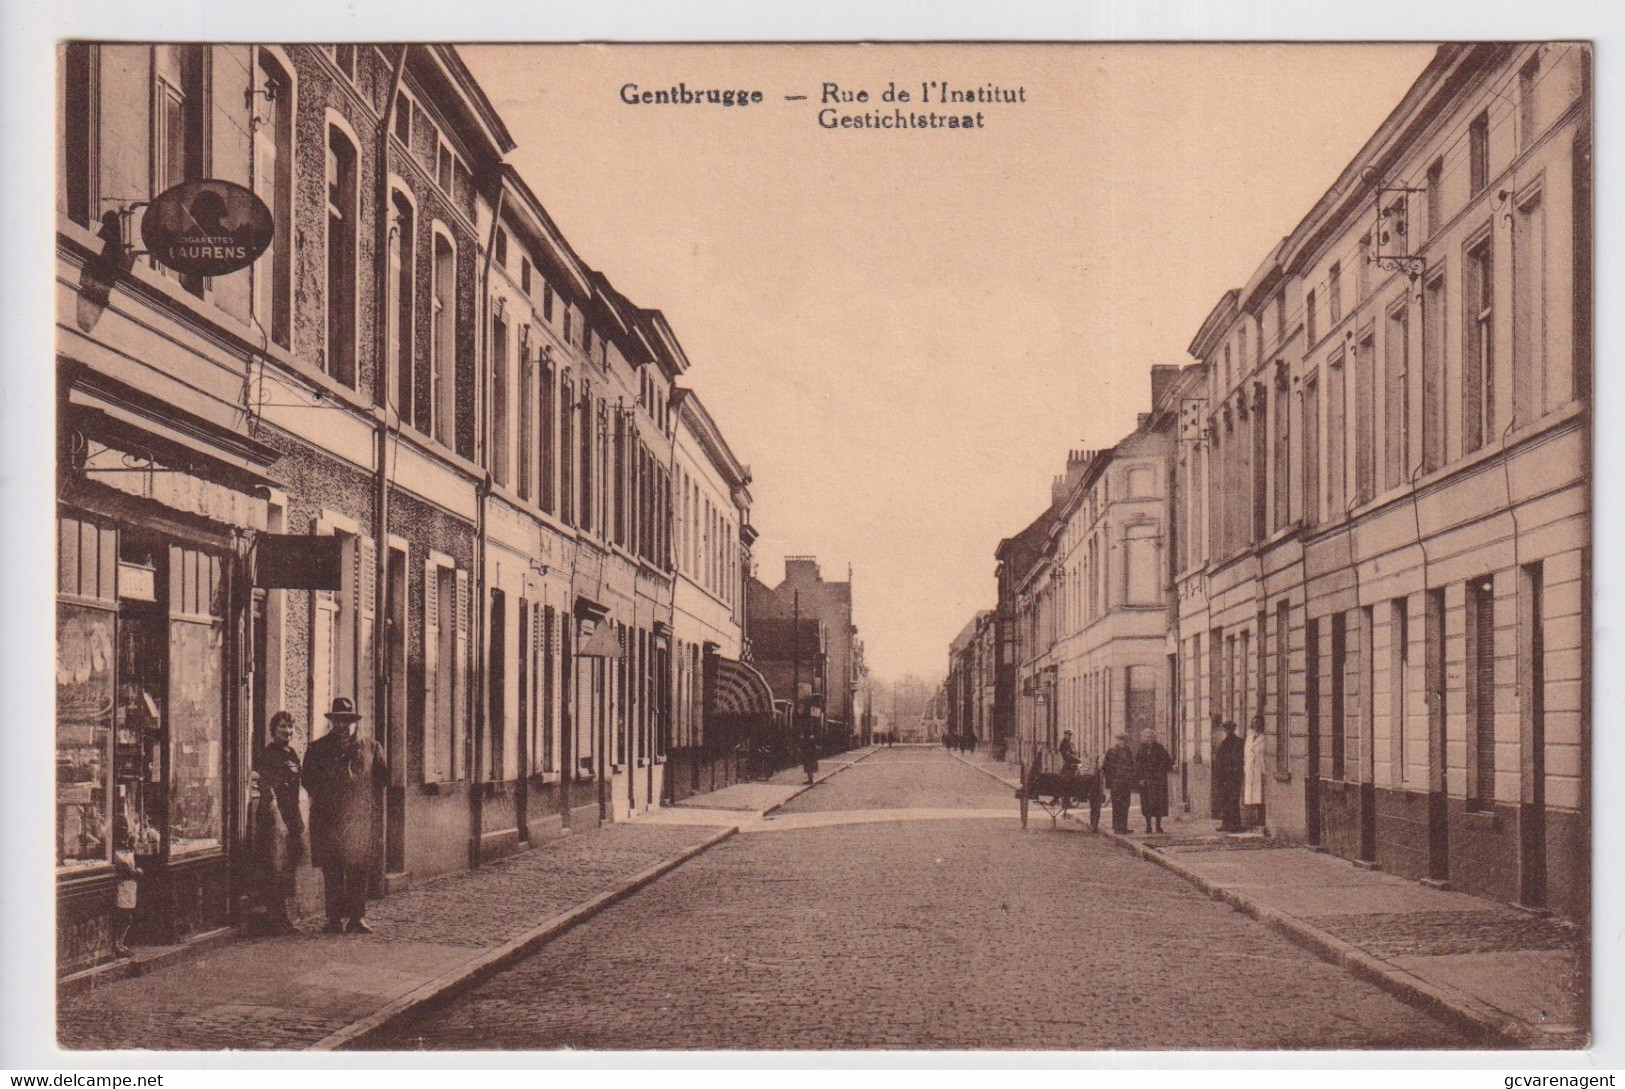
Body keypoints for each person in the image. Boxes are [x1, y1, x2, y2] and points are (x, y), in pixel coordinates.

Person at [302, 697, 388, 934]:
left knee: (359, 869)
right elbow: (308, 780)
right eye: (338, 721)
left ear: (354, 722)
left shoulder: (371, 748)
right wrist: (330, 797)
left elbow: (381, 780)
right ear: (332, 722)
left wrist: (362, 803)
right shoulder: (317, 749)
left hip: (359, 820)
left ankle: (357, 918)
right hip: (328, 819)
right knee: (332, 869)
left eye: (347, 721)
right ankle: (333, 919)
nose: (343, 726)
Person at [253, 710, 305, 934]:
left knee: (287, 868)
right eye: (283, 727)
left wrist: (298, 818)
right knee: (275, 868)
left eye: (290, 727)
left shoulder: (292, 753)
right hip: (273, 817)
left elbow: (294, 789)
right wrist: (278, 819)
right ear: (273, 730)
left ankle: (284, 917)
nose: (287, 731)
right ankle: (276, 919)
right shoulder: (267, 755)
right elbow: (268, 789)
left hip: (290, 816)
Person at [111, 818, 142, 957]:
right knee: (124, 917)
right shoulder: (117, 853)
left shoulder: (127, 851)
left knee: (126, 916)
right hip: (122, 887)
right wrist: (136, 872)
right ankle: (117, 944)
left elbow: (131, 868)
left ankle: (120, 943)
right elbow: (127, 869)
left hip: (129, 887)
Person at [1135, 728, 1173, 834]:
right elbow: (1138, 766)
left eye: (1151, 736)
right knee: (1146, 804)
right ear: (1143, 738)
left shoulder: (1160, 749)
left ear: (1154, 738)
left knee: (1158, 804)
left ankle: (1158, 826)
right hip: (1146, 781)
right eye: (1147, 737)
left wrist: (1161, 772)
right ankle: (1148, 826)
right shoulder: (1141, 750)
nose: (1149, 739)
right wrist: (1140, 779)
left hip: (1157, 782)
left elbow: (1167, 763)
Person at [1102, 731, 1138, 834]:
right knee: (1117, 804)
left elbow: (1132, 766)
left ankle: (1124, 826)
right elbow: (1106, 768)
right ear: (1117, 740)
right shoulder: (1112, 752)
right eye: (1120, 739)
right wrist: (1111, 780)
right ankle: (1117, 827)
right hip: (1116, 782)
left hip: (1126, 781)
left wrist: (1131, 778)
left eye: (1124, 740)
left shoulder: (1129, 751)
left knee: (1126, 804)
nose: (1122, 742)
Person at [1214, 720, 1246, 833]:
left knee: (1233, 800)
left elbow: (1239, 759)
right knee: (1226, 800)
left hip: (1233, 776)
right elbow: (1219, 761)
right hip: (1225, 776)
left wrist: (1233, 771)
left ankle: (1234, 824)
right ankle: (1226, 823)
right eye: (1226, 729)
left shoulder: (1238, 742)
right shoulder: (1225, 743)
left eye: (1229, 728)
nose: (1228, 731)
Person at [1243, 715, 1267, 829]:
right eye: (1254, 723)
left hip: (1260, 768)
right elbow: (1246, 753)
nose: (1256, 725)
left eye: (1258, 722)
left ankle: (1261, 818)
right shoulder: (1249, 737)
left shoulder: (1264, 737)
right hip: (1250, 768)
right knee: (1252, 795)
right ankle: (1253, 818)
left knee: (1260, 794)